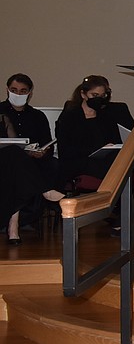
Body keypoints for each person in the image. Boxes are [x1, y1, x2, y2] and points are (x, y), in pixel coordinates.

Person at [0, 73, 65, 244]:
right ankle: (46, 191)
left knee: (52, 164)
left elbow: (47, 144)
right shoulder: (0, 112)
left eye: (23, 91)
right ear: (7, 90)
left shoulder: (38, 116)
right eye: (14, 90)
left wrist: (43, 152)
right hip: (3, 161)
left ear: (30, 93)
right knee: (14, 152)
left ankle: (13, 223)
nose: (18, 94)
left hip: (32, 161)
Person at [55, 75, 134, 189]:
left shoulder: (106, 115)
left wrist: (109, 148)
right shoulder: (70, 116)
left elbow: (115, 140)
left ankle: (122, 203)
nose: (99, 99)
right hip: (78, 160)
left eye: (103, 96)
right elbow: (66, 149)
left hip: (103, 158)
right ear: (83, 94)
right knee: (111, 168)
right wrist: (95, 150)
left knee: (131, 164)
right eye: (94, 95)